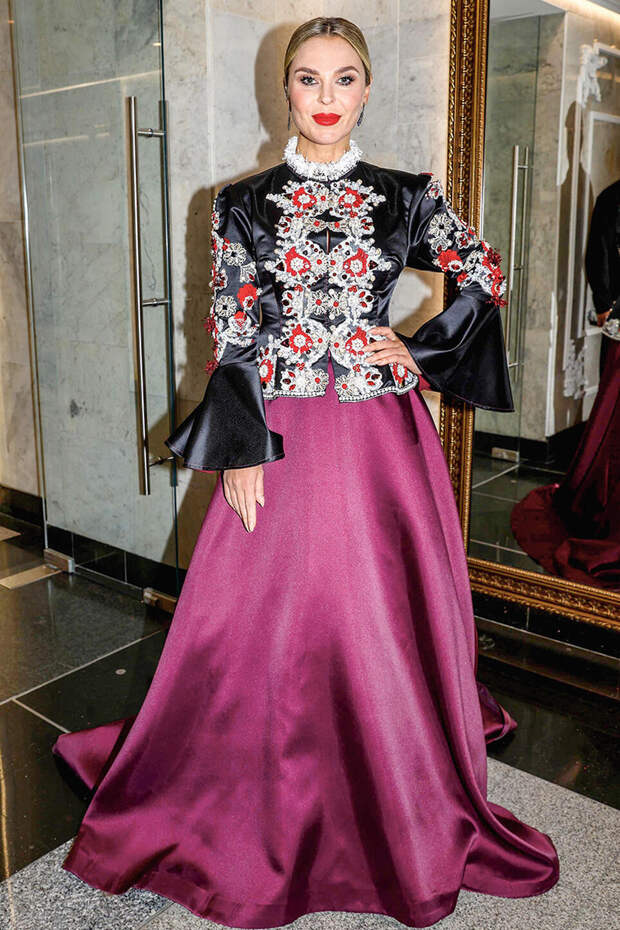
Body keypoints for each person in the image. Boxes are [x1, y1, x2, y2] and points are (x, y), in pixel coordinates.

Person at [52, 17, 560, 928]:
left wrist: (418, 349)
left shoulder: (406, 195)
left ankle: (394, 779)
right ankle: (253, 794)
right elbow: (232, 328)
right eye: (309, 79)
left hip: (380, 437)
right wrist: (241, 444)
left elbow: (483, 271)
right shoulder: (242, 202)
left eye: (345, 78)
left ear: (366, 90)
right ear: (284, 89)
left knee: (377, 610)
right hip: (280, 427)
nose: (326, 98)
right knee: (266, 615)